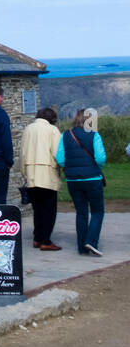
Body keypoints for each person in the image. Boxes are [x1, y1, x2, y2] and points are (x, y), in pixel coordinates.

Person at [55, 108, 107, 256]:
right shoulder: (94, 135)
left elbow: (60, 158)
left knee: (81, 212)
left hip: (73, 179)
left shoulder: (66, 135)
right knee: (97, 211)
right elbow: (100, 158)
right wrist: (97, 168)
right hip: (92, 178)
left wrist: (69, 167)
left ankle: (81, 247)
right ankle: (91, 241)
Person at [20, 107, 62, 251]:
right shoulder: (53, 130)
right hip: (47, 174)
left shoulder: (28, 129)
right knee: (49, 210)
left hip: (31, 173)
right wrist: (61, 168)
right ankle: (45, 240)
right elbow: (57, 153)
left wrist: (24, 172)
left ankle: (37, 238)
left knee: (37, 209)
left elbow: (22, 153)